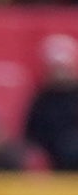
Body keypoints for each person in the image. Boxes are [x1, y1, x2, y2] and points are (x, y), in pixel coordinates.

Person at [23, 34, 78, 171]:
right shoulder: (41, 100)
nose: (59, 73)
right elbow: (31, 135)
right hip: (52, 163)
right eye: (55, 68)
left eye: (63, 68)